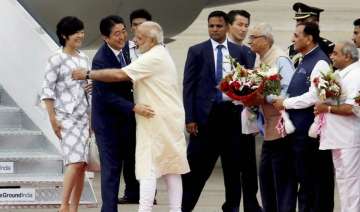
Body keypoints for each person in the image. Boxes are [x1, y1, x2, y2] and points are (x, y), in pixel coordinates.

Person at [72, 21, 190, 212]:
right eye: (118, 33)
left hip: (156, 119)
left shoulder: (152, 56)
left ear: (151, 40)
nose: (132, 40)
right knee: (169, 167)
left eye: (137, 37)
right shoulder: (156, 52)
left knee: (151, 168)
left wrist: (88, 74)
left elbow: (120, 75)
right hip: (150, 119)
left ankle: (146, 209)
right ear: (105, 37)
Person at [181, 10, 259, 212]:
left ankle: (231, 207)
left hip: (231, 116)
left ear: (226, 27)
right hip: (205, 118)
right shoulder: (197, 51)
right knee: (196, 168)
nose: (214, 29)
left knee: (233, 167)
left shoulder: (240, 52)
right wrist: (190, 118)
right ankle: (183, 206)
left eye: (218, 26)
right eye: (211, 26)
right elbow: (188, 87)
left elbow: (248, 83)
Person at [273, 22, 335, 212]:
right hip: (298, 134)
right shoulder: (304, 59)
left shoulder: (320, 62)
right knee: (303, 182)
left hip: (308, 135)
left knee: (311, 185)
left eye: (297, 35)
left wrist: (286, 103)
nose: (293, 39)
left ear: (309, 39)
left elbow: (315, 95)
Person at [40, 16, 90, 212]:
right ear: (64, 35)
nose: (80, 35)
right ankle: (63, 206)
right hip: (65, 116)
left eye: (81, 31)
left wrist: (92, 117)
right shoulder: (56, 59)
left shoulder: (84, 58)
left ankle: (74, 207)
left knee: (82, 165)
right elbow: (47, 91)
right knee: (75, 161)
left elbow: (88, 89)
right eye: (76, 32)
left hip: (83, 117)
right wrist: (53, 119)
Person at [247, 23, 296, 212]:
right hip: (267, 128)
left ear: (265, 40)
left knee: (281, 182)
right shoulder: (260, 59)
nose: (249, 41)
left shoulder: (280, 59)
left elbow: (289, 91)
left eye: (253, 37)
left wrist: (264, 97)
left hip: (281, 130)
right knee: (266, 180)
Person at [91, 15, 138, 212]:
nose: (122, 37)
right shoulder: (101, 59)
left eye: (123, 31)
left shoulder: (126, 51)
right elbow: (107, 96)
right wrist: (133, 107)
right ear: (105, 37)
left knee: (128, 164)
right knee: (111, 169)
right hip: (107, 123)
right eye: (116, 34)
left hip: (126, 121)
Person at [313, 41, 360, 212]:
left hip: (349, 139)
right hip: (336, 138)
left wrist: (327, 108)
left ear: (347, 56)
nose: (331, 56)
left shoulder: (356, 74)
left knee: (352, 184)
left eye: (335, 53)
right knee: (343, 183)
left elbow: (352, 107)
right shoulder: (340, 74)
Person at [227, 10, 262, 212]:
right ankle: (231, 204)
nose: (243, 28)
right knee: (231, 164)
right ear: (229, 25)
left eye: (246, 25)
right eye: (239, 24)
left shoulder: (250, 53)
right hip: (227, 114)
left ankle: (251, 203)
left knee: (249, 163)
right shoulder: (222, 51)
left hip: (247, 113)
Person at [288, 2, 334, 67]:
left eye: (303, 21)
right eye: (297, 21)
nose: (298, 24)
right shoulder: (292, 49)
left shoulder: (328, 48)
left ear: (316, 23)